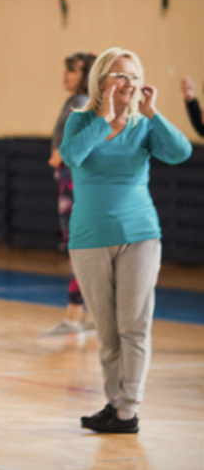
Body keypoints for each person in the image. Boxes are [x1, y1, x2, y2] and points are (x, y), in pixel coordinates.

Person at [60, 47, 191, 434]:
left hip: (140, 235)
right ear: (101, 81)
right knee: (107, 332)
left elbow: (180, 152)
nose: (129, 83)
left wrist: (153, 113)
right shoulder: (81, 120)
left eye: (134, 76)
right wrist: (104, 120)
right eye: (120, 75)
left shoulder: (144, 124)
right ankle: (114, 404)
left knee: (134, 326)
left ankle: (127, 411)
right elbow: (72, 157)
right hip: (89, 238)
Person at [41, 51, 97, 336]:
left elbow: (74, 147)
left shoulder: (80, 103)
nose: (66, 75)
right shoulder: (78, 101)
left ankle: (74, 317)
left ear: (85, 75)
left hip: (72, 181)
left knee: (76, 247)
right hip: (68, 179)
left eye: (72, 71)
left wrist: (58, 157)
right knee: (79, 247)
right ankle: (86, 315)